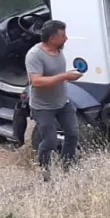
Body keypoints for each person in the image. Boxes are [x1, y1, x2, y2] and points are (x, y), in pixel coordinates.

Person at [25, 20, 83, 180]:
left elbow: (56, 74)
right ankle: (44, 170)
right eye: (63, 36)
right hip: (43, 107)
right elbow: (36, 81)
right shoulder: (34, 55)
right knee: (49, 140)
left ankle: (67, 167)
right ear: (52, 38)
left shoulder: (58, 50)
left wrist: (70, 75)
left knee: (73, 134)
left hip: (63, 102)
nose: (66, 38)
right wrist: (65, 76)